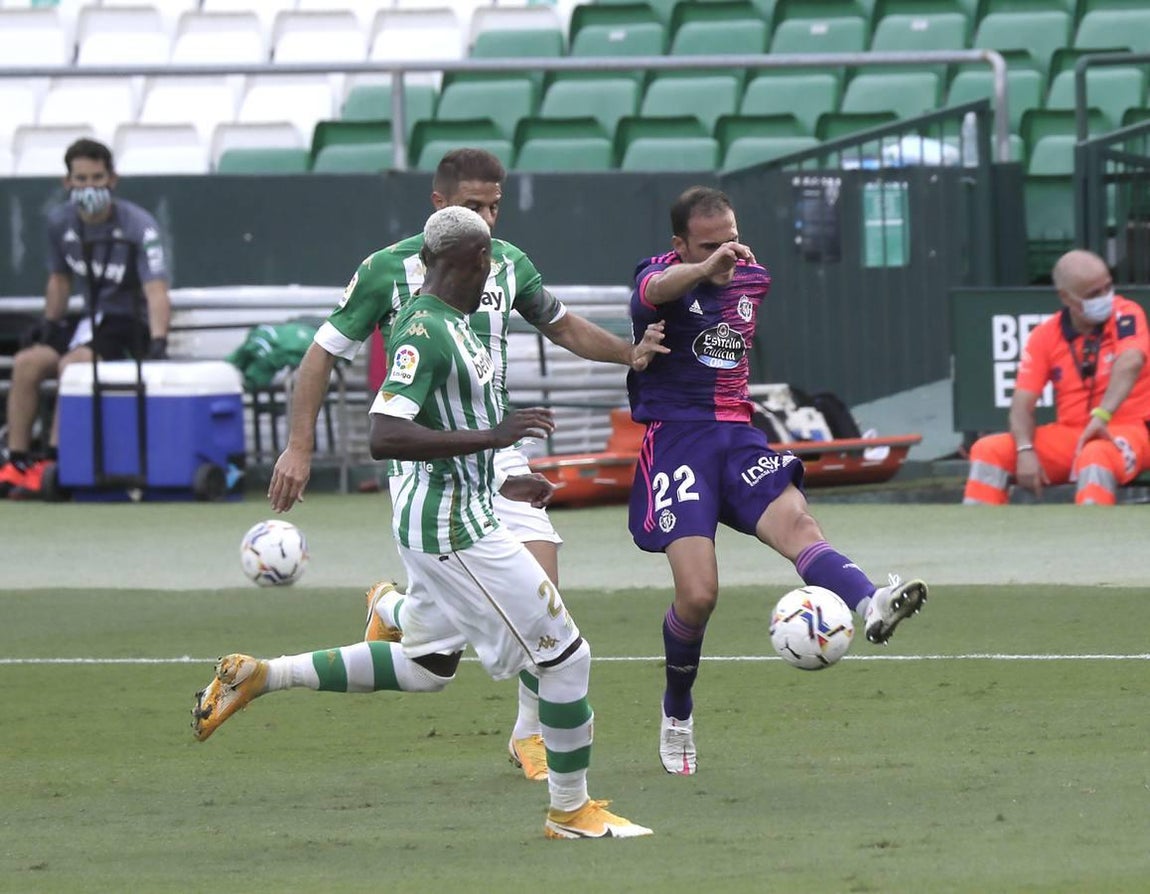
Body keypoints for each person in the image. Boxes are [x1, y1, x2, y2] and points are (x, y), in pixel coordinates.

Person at [193, 206, 653, 841]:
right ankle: (570, 811)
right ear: (463, 265)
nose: (494, 268)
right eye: (486, 259)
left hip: (463, 507)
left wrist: (502, 469)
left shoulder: (452, 321)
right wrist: (494, 436)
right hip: (454, 530)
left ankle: (265, 675)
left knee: (425, 667)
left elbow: (447, 418)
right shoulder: (424, 331)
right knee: (567, 659)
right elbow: (386, 436)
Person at [265, 148, 666, 781]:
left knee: (540, 591)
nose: (486, 218)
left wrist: (629, 355)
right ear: (438, 206)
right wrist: (299, 446)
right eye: (472, 206)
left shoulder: (506, 264)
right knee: (445, 655)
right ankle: (397, 614)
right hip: (425, 458)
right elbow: (320, 358)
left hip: (492, 444)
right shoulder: (385, 272)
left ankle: (527, 735)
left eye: (494, 206)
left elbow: (560, 326)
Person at [625, 186, 928, 776]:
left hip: (737, 435)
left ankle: (870, 602)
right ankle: (678, 712)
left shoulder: (753, 278)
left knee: (798, 523)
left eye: (730, 238)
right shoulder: (656, 276)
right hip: (677, 440)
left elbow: (730, 305)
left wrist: (728, 262)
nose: (725, 253)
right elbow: (652, 294)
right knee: (699, 595)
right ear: (679, 244)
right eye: (708, 245)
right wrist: (698, 270)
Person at [0, 138, 171, 499]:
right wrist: (49, 322)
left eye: (97, 177)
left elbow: (156, 290)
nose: (89, 187)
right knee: (28, 362)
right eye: (81, 179)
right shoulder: (60, 223)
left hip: (127, 321)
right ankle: (16, 461)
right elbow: (60, 279)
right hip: (87, 319)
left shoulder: (139, 225)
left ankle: (55, 460)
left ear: (112, 179)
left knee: (74, 366)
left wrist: (159, 340)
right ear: (68, 183)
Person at [964, 249, 1150, 505]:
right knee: (988, 450)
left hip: (1128, 431)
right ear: (1066, 297)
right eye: (1093, 294)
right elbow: (1021, 405)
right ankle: (975, 536)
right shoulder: (1045, 335)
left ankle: (1091, 537)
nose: (1106, 297)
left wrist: (1102, 415)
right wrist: (1024, 449)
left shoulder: (1126, 313)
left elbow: (1131, 361)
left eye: (1108, 287)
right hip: (1071, 435)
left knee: (1096, 455)